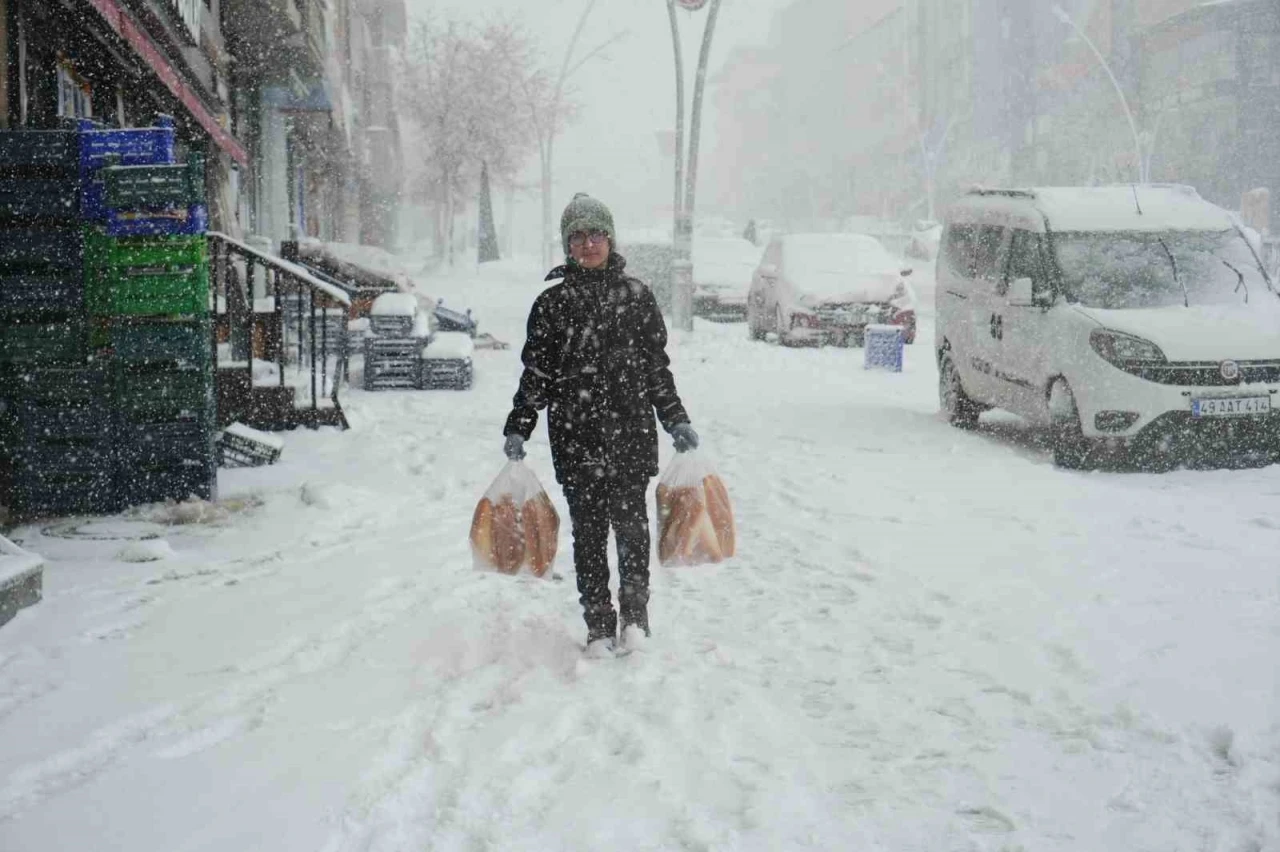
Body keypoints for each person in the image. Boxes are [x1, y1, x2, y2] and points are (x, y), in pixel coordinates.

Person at [503, 194, 699, 655]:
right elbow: (538, 375)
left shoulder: (636, 297)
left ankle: (635, 620)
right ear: (567, 245)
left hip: (630, 436)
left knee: (631, 532)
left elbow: (656, 369)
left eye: (596, 235)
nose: (588, 244)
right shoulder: (552, 305)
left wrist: (676, 419)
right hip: (576, 439)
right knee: (589, 536)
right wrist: (519, 425)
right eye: (577, 236)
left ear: (610, 239)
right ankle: (597, 625)